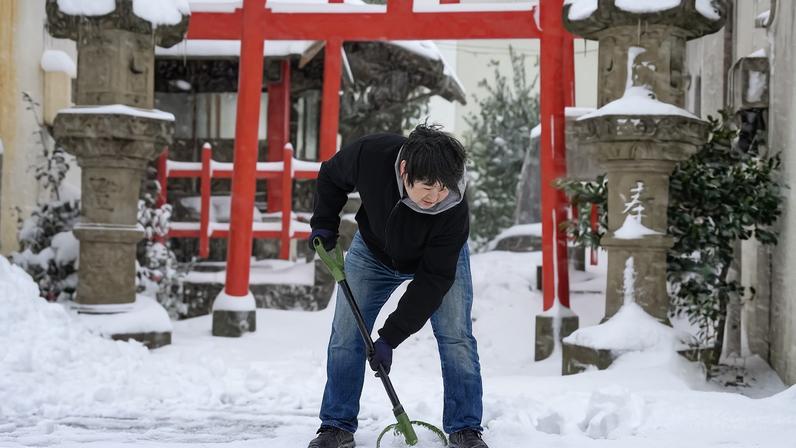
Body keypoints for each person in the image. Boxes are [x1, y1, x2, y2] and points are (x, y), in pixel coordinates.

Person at [307, 123, 488, 448]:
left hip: (435, 261)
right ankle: (336, 425)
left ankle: (465, 428)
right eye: (427, 188)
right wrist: (323, 223)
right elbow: (331, 176)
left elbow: (434, 281)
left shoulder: (453, 207)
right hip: (374, 251)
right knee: (346, 335)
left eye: (444, 188)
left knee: (456, 336)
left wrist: (391, 336)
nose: (436, 198)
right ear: (405, 170)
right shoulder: (371, 154)